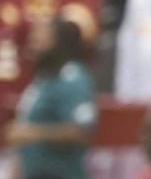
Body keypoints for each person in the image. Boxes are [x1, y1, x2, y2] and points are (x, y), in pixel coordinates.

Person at [6, 17, 97, 179]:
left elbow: (81, 131)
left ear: (58, 40)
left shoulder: (72, 78)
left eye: (40, 37)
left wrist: (33, 133)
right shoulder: (44, 79)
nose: (32, 41)